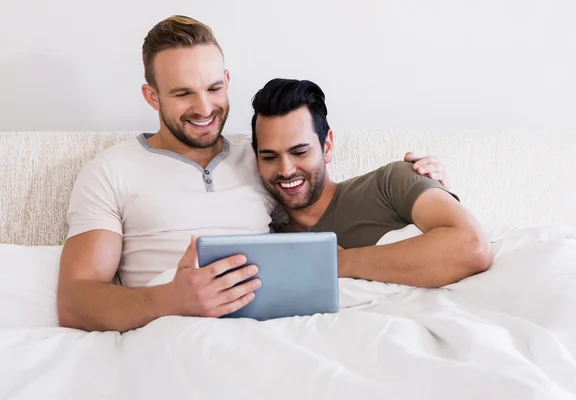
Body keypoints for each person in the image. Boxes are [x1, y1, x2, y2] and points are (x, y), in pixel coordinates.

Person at [57, 15, 451, 332]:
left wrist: (414, 182)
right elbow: (76, 301)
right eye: (182, 94)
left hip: (273, 329)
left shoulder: (263, 156)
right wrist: (172, 300)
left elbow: (323, 206)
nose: (204, 107)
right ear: (152, 96)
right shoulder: (111, 171)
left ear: (227, 82)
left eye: (214, 88)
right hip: (173, 330)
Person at [251, 78, 493, 288]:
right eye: (270, 157)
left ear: (327, 146)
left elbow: (473, 248)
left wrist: (341, 263)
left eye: (300, 152)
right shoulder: (269, 241)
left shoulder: (392, 182)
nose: (286, 170)